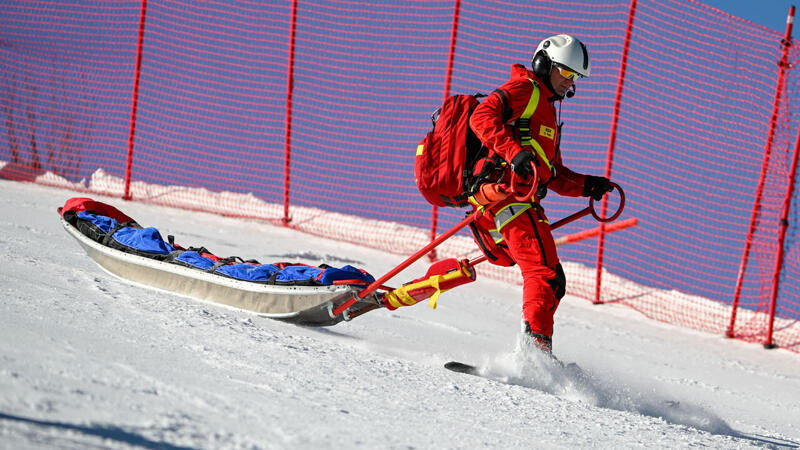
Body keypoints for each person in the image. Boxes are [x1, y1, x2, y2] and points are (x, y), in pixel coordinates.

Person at [468, 34, 613, 355]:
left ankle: (535, 349)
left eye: (576, 77)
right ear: (543, 64)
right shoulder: (526, 90)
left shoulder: (547, 111)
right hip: (506, 198)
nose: (570, 82)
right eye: (566, 72)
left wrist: (588, 185)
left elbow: (552, 173)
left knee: (553, 280)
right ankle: (536, 354)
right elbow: (481, 117)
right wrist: (513, 153)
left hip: (518, 202)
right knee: (544, 274)